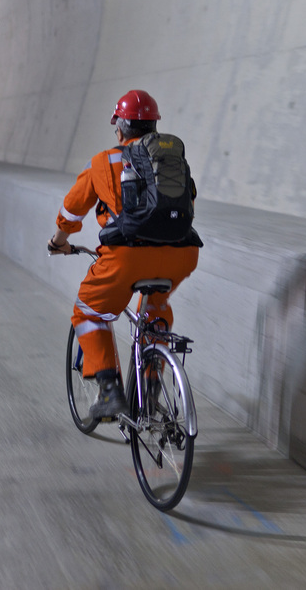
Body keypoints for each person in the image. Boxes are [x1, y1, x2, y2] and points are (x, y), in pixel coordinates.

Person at [48, 89, 202, 419]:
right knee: (156, 309)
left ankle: (108, 391)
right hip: (182, 253)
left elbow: (71, 212)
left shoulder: (104, 161)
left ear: (119, 127)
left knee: (89, 312)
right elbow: (187, 207)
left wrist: (59, 240)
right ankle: (149, 387)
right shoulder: (172, 163)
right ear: (154, 128)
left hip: (127, 256)